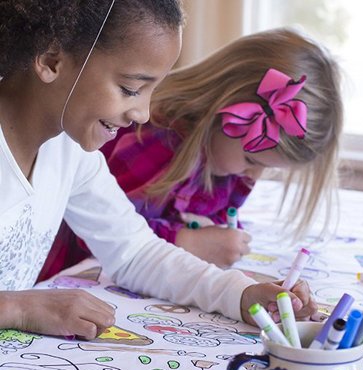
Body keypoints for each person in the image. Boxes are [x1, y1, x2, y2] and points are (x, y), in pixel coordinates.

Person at [0, 0, 316, 340]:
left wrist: (239, 294)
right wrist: (19, 307)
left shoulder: (70, 152)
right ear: (51, 60)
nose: (144, 114)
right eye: (131, 89)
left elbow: (134, 251)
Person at [38, 27, 343, 276]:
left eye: (267, 168)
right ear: (226, 114)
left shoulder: (227, 164)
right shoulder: (155, 140)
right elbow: (99, 234)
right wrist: (185, 241)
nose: (253, 175)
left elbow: (204, 216)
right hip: (62, 275)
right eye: (252, 161)